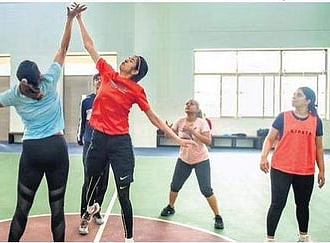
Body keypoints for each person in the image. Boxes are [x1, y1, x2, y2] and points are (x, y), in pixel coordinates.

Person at [0, 4, 86, 242]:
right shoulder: (50, 79)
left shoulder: (15, 93)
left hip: (32, 150)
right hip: (57, 148)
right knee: (57, 209)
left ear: (21, 79)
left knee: (22, 207)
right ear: (39, 74)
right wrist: (70, 19)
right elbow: (64, 47)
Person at [74, 5, 196, 241]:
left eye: (132, 60)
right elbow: (90, 46)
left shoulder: (136, 90)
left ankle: (129, 238)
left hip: (120, 143)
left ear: (136, 70)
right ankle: (88, 214)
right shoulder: (108, 74)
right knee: (91, 181)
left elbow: (153, 116)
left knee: (123, 194)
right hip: (97, 139)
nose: (128, 59)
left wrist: (177, 137)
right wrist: (79, 19)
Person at [260, 87, 325, 242]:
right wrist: (264, 157)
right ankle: (270, 239)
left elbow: (319, 147)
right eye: (294, 94)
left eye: (298, 95)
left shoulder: (316, 121)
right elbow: (270, 139)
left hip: (306, 170)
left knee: (303, 205)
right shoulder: (283, 117)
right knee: (277, 204)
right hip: (281, 168)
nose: (294, 97)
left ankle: (303, 236)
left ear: (308, 101)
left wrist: (322, 170)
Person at [159, 99, 224, 230]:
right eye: (187, 104)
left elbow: (208, 141)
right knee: (175, 185)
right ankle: (171, 207)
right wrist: (165, 130)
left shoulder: (202, 123)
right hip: (184, 159)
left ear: (197, 109)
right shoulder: (180, 121)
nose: (188, 105)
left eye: (191, 104)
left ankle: (218, 216)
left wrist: (193, 132)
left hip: (201, 160)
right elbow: (169, 136)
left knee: (206, 189)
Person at [76, 73, 109, 234]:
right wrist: (80, 136)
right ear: (94, 82)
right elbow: (82, 121)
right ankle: (84, 216)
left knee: (103, 181)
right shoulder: (87, 101)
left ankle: (96, 209)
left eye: (102, 79)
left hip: (107, 144)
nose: (99, 81)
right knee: (89, 180)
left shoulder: (111, 99)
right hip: (90, 144)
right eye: (97, 79)